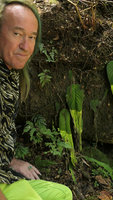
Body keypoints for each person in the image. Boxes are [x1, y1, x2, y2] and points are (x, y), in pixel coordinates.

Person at [0, 0, 73, 199]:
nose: (25, 46)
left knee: (62, 194)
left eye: (31, 37)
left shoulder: (10, 74)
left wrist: (10, 161)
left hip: (4, 174)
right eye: (17, 34)